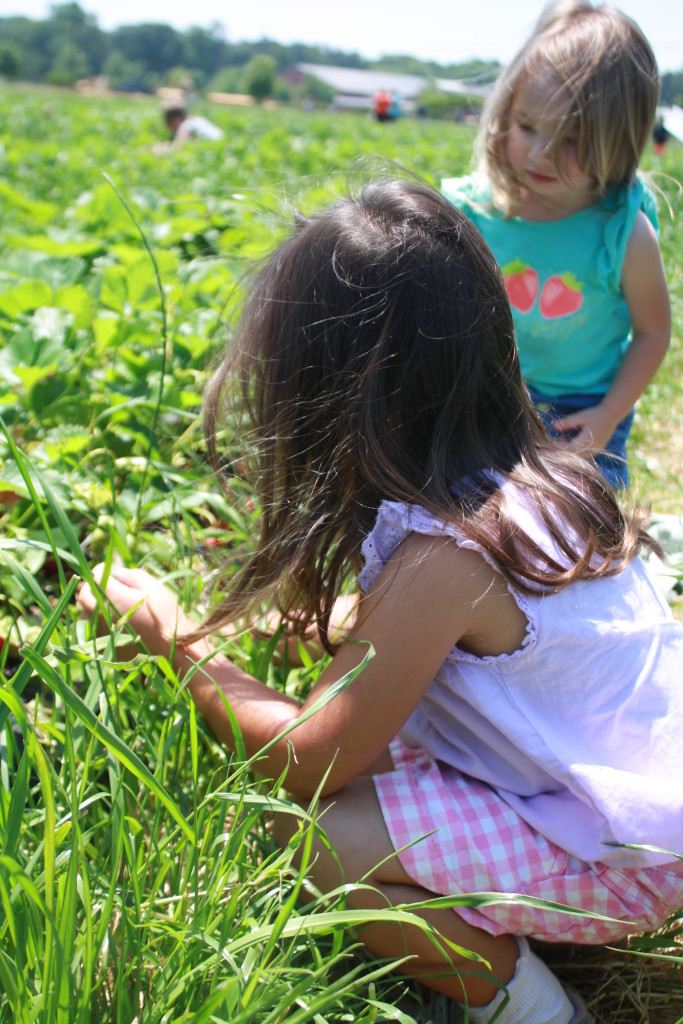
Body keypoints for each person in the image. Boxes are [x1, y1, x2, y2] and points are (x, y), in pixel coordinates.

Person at [77, 179, 683, 1024]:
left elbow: (312, 761)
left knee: (319, 840)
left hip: (624, 861)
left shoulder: (446, 555)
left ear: (333, 394)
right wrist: (325, 632)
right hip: (639, 812)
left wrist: (179, 642)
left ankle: (532, 1008)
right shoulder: (532, 483)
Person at [441, 1, 671, 490]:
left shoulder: (622, 232)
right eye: (527, 127)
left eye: (571, 139)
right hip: (487, 395)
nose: (541, 153)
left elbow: (653, 333)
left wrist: (609, 413)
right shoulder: (475, 212)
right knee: (463, 508)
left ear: (620, 140)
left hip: (580, 409)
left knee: (574, 528)